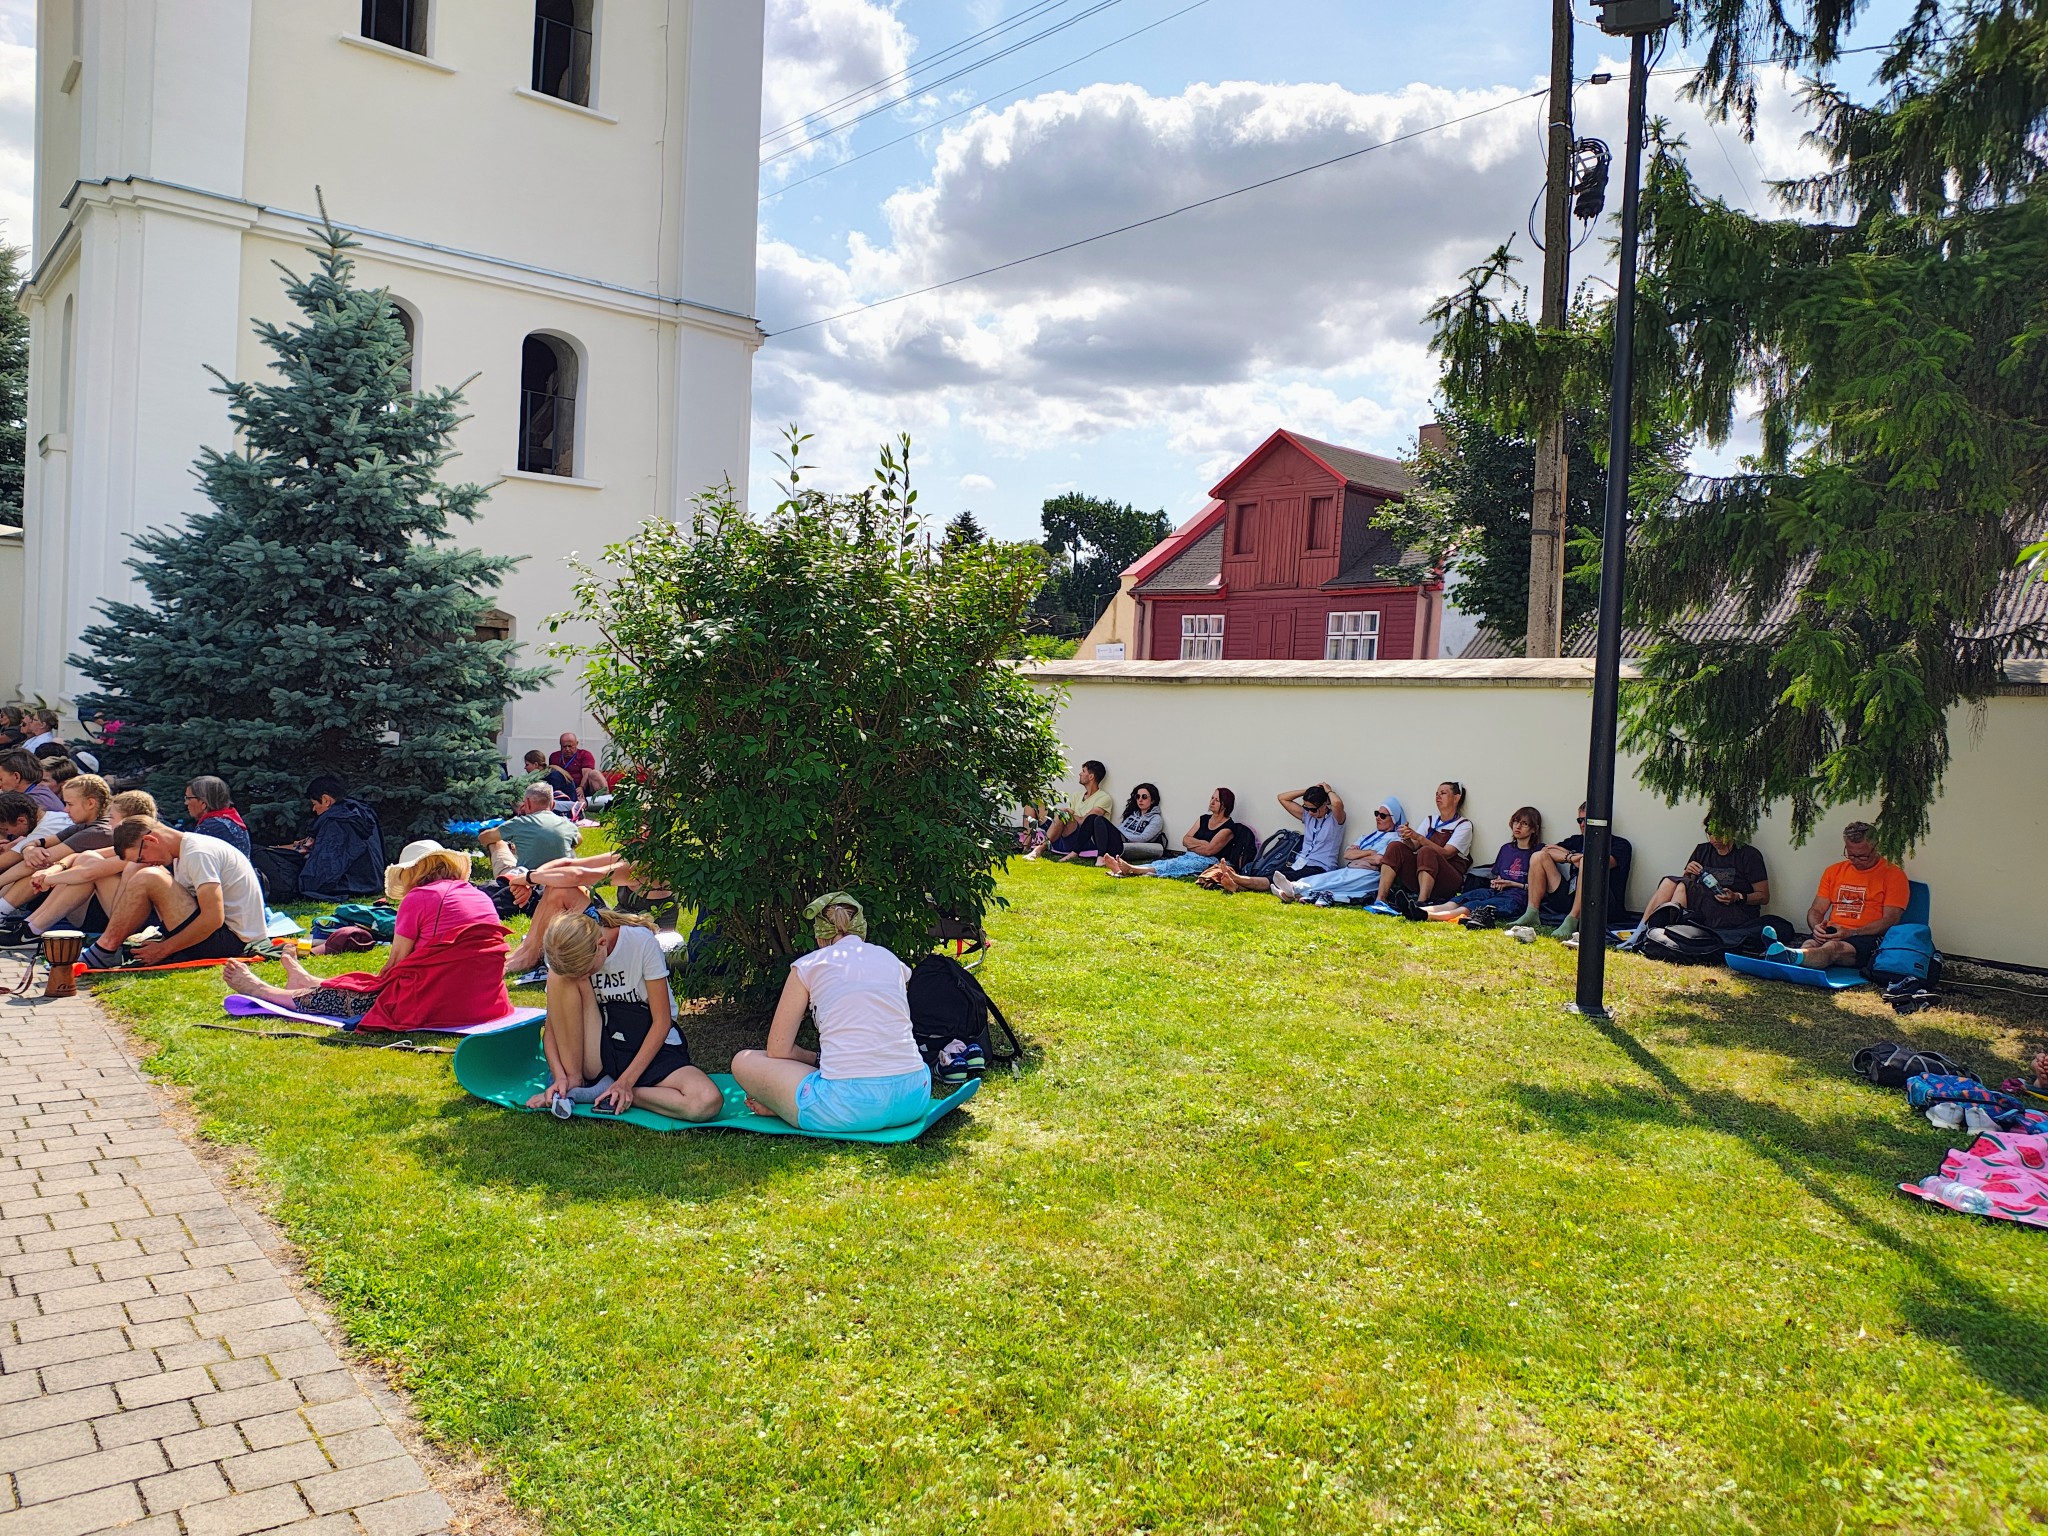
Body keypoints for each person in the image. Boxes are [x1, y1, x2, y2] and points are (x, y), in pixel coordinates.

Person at [223, 840, 512, 1029]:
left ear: (411, 873)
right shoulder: (477, 895)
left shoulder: (420, 897)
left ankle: (264, 991)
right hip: (487, 1002)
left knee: (364, 999)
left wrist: (373, 987)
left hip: (444, 1004)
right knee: (373, 986)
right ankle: (309, 981)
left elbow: (396, 964)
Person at [731, 892, 933, 1134]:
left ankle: (782, 1104)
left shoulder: (808, 966)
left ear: (819, 937)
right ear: (862, 930)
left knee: (743, 1061)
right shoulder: (892, 961)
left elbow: (778, 1049)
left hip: (846, 1108)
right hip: (914, 1097)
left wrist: (814, 1058)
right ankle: (785, 1102)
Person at [524, 909, 722, 1122]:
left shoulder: (639, 942)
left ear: (601, 943)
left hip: (649, 1044)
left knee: (706, 1101)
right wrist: (560, 1077)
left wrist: (626, 1083)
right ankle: (575, 1082)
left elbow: (662, 1021)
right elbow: (552, 1030)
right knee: (557, 976)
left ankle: (615, 1091)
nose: (584, 977)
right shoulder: (566, 961)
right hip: (602, 1048)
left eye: (587, 972)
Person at [80, 817, 269, 970]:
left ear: (150, 840)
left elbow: (213, 918)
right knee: (149, 874)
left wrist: (164, 949)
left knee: (149, 877)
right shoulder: (186, 851)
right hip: (229, 936)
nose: (146, 863)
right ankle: (107, 948)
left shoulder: (198, 854)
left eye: (142, 858)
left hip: (233, 942)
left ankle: (105, 949)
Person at [15, 790, 157, 942]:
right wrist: (55, 869)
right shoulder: (131, 844)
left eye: (112, 818)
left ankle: (32, 929)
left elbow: (89, 873)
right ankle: (30, 925)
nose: (109, 823)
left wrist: (47, 879)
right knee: (87, 858)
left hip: (132, 922)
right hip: (111, 910)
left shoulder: (143, 850)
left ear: (129, 822)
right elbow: (80, 855)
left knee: (92, 870)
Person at [1766, 821, 1910, 970]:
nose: (1855, 860)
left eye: (1862, 856)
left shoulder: (1894, 875)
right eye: (1851, 855)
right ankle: (1788, 956)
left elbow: (1890, 920)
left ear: (1876, 848)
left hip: (1866, 935)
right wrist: (1817, 928)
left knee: (1833, 947)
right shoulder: (1834, 871)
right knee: (1811, 943)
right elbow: (1816, 910)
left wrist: (1852, 932)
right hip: (1834, 931)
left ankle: (1787, 956)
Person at [1621, 818, 1771, 950]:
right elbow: (1684, 884)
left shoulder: (1748, 854)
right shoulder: (1702, 850)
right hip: (1704, 907)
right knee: (1670, 881)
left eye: (1720, 833)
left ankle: (1665, 934)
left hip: (1735, 912)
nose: (1715, 838)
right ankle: (1641, 931)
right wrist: (1687, 873)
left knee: (1682, 885)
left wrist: (1737, 897)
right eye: (1710, 833)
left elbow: (1763, 896)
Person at [0, 775, 115, 943]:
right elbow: (41, 843)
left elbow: (43, 859)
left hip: (93, 913)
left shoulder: (97, 832)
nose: (66, 810)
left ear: (90, 803)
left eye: (70, 804)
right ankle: (23, 923)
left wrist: (31, 850)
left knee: (42, 864)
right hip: (80, 905)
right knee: (39, 860)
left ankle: (17, 921)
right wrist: (29, 848)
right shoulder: (83, 826)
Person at [500, 849, 640, 978]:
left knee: (561, 891)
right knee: (556, 884)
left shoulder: (644, 864)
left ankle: (530, 955)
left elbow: (577, 876)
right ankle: (527, 949)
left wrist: (530, 878)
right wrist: (530, 881)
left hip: (631, 932)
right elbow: (566, 864)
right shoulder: (634, 851)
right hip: (616, 920)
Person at [249, 776, 385, 903]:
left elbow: (323, 866)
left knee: (258, 853)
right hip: (370, 881)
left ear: (326, 800)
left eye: (314, 803)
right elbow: (309, 846)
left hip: (347, 884)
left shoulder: (336, 821)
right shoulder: (361, 812)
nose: (314, 809)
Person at [1513, 803, 1634, 943]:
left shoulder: (1620, 844)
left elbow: (1601, 863)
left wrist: (1575, 857)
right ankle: (1531, 913)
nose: (1582, 824)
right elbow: (1547, 850)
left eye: (1586, 820)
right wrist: (1570, 857)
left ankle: (1572, 920)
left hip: (1602, 904)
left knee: (1588, 862)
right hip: (1571, 896)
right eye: (1579, 820)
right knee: (1538, 856)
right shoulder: (1576, 840)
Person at [1276, 794, 1408, 905]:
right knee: (1327, 878)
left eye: (1383, 816)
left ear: (1393, 818)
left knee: (1334, 883)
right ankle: (1292, 889)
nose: (1378, 817)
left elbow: (1379, 859)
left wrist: (1359, 854)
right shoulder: (1367, 837)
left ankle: (1294, 888)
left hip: (1368, 874)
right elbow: (1347, 854)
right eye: (1377, 814)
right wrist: (1369, 853)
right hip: (1351, 869)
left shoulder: (1395, 839)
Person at [1425, 807, 1544, 925]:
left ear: (1534, 829)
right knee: (1463, 898)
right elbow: (1498, 875)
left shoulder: (1539, 853)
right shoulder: (1506, 849)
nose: (1518, 826)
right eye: (1516, 821)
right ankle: (1421, 910)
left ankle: (1431, 916)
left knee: (1476, 906)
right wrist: (1497, 882)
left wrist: (1512, 884)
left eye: (1524, 824)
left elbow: (1539, 887)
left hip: (1517, 898)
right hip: (1495, 891)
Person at [1219, 783, 1346, 893]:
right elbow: (1283, 798)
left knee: (1277, 878)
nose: (1310, 812)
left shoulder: (1335, 820)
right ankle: (1237, 886)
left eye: (1313, 809)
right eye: (1306, 808)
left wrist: (1328, 791)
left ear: (1325, 805)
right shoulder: (1308, 816)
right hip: (1299, 864)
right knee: (1274, 875)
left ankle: (1237, 878)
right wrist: (1308, 791)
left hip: (1320, 868)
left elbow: (1337, 803)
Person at [1381, 782, 1475, 917]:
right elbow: (1413, 846)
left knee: (1427, 851)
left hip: (1447, 880)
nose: (1438, 797)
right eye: (1436, 794)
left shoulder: (1464, 825)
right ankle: (1381, 899)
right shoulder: (1430, 820)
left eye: (1443, 793)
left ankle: (1421, 903)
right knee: (1395, 846)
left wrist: (1419, 837)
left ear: (1456, 798)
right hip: (1422, 874)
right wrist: (1407, 837)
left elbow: (1447, 853)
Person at [1104, 788, 1237, 878]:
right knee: (1164, 863)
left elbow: (1209, 851)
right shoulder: (1203, 819)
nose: (1211, 802)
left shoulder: (1228, 827)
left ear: (1225, 804)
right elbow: (1185, 840)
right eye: (1212, 798)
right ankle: (1127, 869)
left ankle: (1132, 869)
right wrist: (1202, 843)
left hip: (1208, 861)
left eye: (1216, 800)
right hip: (1190, 855)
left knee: (1174, 866)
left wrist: (1194, 845)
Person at [479, 785, 582, 887]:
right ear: (553, 804)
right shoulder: (567, 824)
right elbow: (579, 839)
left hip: (526, 882)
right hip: (561, 881)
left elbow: (483, 838)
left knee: (496, 842)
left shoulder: (519, 823)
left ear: (527, 803)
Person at [1048, 782, 1163, 862]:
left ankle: (1100, 856)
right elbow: (1121, 829)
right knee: (1092, 818)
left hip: (1126, 842)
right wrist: (1117, 833)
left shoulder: (1156, 819)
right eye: (1138, 796)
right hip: (1119, 839)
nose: (1140, 800)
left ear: (1153, 800)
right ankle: (1075, 852)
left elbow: (1143, 838)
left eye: (1144, 797)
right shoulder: (1132, 815)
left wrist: (1123, 836)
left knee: (1099, 819)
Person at [1030, 761, 1114, 859]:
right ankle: (1026, 846)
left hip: (1084, 840)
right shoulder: (1077, 795)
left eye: (1083, 771)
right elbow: (1069, 817)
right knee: (1033, 803)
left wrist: (1066, 813)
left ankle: (1039, 849)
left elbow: (1086, 822)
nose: (1080, 774)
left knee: (1063, 814)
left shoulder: (1104, 798)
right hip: (1067, 832)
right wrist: (1065, 813)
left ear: (1091, 776)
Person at [182, 777, 252, 858]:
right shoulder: (229, 820)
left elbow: (193, 859)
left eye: (188, 798)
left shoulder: (211, 827)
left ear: (203, 802)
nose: (186, 803)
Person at [549, 733, 610, 804]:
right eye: (564, 746)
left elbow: (587, 772)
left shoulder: (585, 754)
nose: (567, 749)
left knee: (595, 773)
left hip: (584, 788)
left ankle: (605, 800)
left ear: (576, 743)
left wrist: (581, 787)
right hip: (564, 787)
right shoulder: (554, 756)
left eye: (570, 746)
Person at [523, 749, 583, 817]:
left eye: (527, 765)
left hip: (568, 808)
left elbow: (552, 796)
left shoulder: (553, 776)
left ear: (536, 764)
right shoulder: (548, 773)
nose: (525, 767)